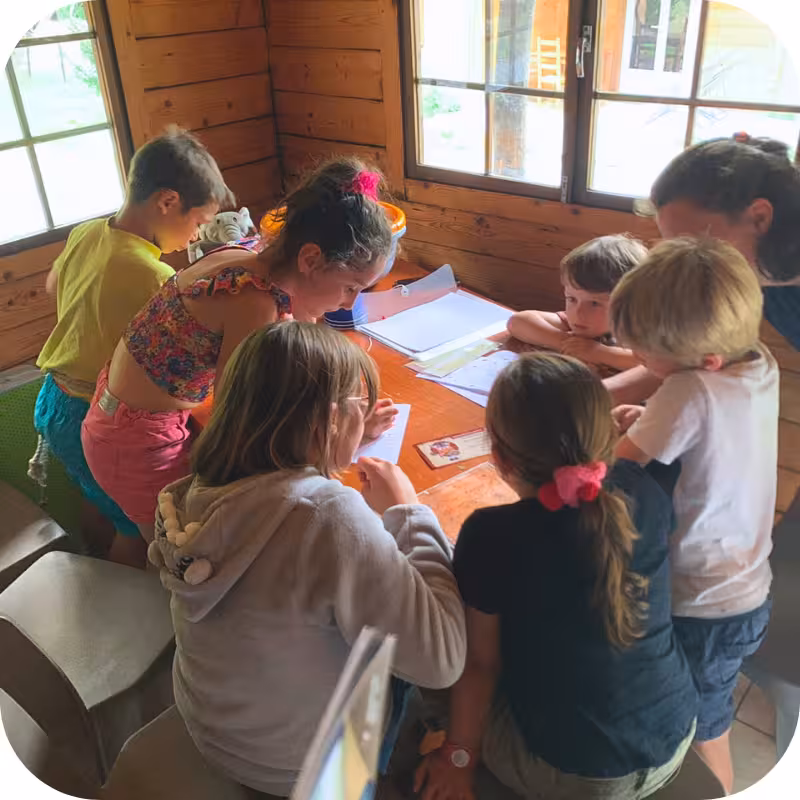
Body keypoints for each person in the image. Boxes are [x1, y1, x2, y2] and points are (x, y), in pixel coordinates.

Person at [147, 321, 466, 796]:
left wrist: (343, 440)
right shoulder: (326, 515)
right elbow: (442, 659)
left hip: (213, 725)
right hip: (299, 768)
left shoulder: (195, 487)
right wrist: (409, 509)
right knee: (407, 668)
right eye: (359, 407)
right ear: (331, 420)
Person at [81, 158, 398, 558]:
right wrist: (346, 436)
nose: (351, 302)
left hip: (116, 418)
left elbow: (299, 318)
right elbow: (247, 430)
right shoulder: (254, 303)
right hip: (139, 447)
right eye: (351, 287)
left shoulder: (249, 257)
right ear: (311, 260)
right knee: (182, 559)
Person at [414, 353, 697, 800]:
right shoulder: (643, 487)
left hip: (579, 778)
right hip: (674, 735)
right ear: (607, 433)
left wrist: (459, 754)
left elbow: (479, 665)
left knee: (435, 628)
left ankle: (445, 743)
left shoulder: (491, 534)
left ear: (498, 458)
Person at [611, 237, 779, 793]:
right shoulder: (757, 361)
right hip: (745, 586)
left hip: (701, 602)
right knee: (707, 709)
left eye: (646, 355)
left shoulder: (687, 393)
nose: (640, 360)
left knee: (700, 726)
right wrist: (655, 415)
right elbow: (715, 432)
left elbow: (614, 469)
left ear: (703, 362)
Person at [32, 127, 232, 566]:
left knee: (99, 496)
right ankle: (128, 612)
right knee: (136, 529)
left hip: (52, 399)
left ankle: (92, 561)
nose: (196, 238)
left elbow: (53, 284)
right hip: (92, 408)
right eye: (198, 223)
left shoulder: (87, 232)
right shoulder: (153, 277)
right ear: (167, 202)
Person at [605, 134, 800, 404]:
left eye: (699, 243)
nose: (684, 263)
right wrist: (590, 399)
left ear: (759, 217)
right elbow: (684, 355)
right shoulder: (752, 275)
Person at [507, 235, 645, 375]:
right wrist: (566, 343)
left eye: (594, 303)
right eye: (571, 299)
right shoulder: (573, 326)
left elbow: (651, 363)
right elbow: (518, 322)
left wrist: (598, 352)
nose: (577, 313)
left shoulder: (638, 332)